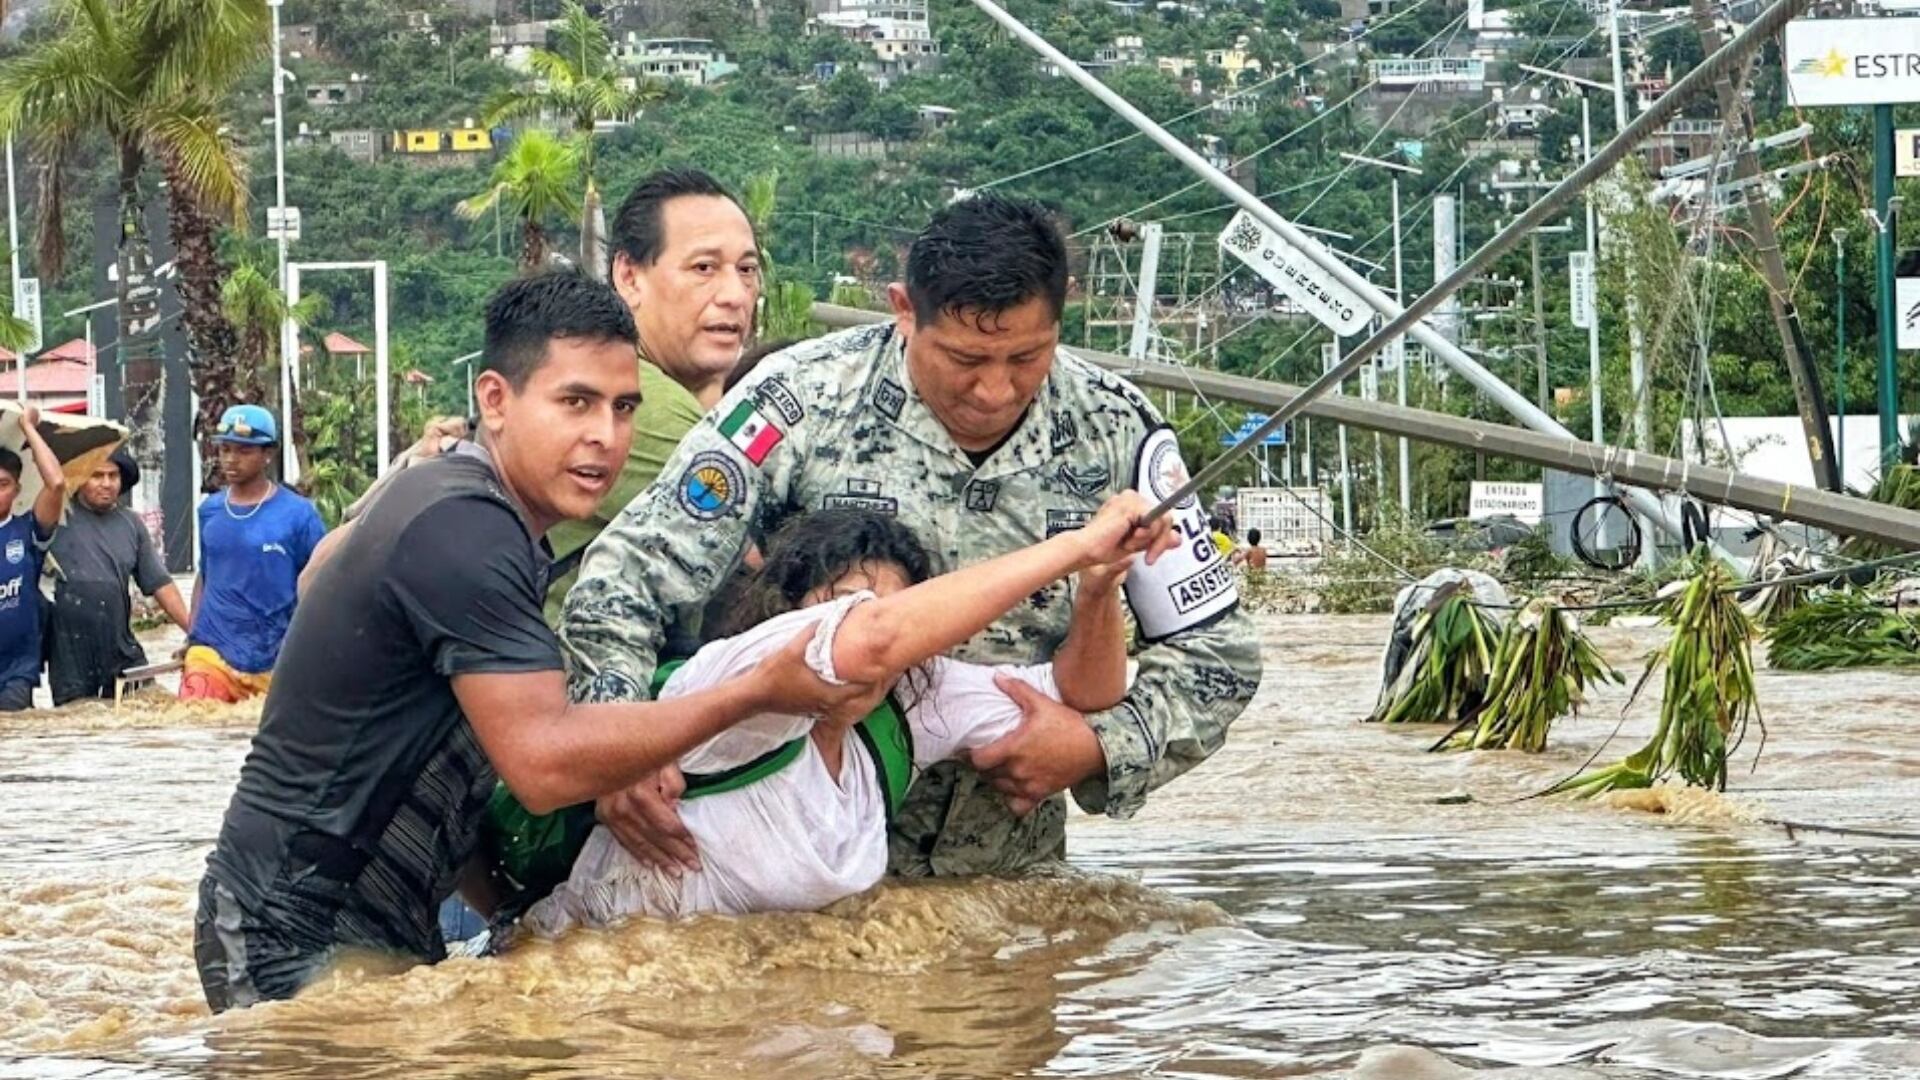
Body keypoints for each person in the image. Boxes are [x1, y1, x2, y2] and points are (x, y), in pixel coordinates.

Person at [194, 270, 871, 1012]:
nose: (604, 437)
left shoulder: (471, 514)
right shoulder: (469, 528)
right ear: (495, 400)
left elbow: (443, 756)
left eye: (623, 409)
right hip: (287, 928)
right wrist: (756, 692)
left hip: (370, 922)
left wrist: (510, 918)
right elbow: (543, 763)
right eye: (574, 402)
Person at [564, 193, 1263, 880]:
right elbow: (626, 578)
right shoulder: (798, 400)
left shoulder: (1118, 430)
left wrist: (1098, 746)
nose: (993, 389)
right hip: (781, 863)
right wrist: (619, 741)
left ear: (1062, 312)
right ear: (903, 310)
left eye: (1026, 358)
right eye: (964, 360)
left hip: (1008, 879)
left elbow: (1220, 653)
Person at [521, 500, 1164, 933]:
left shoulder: (910, 699)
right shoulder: (742, 673)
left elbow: (1081, 694)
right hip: (606, 987)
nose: (880, 628)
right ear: (791, 606)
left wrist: (1099, 588)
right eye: (845, 605)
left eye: (901, 611)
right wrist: (1076, 546)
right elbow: (870, 641)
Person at [542, 168, 764, 625]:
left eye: (747, 270)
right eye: (704, 268)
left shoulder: (605, 379)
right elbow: (766, 564)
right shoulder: (645, 405)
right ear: (629, 276)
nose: (735, 295)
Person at [179, 405, 325, 702]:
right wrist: (192, 634)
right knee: (195, 722)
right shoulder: (209, 511)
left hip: (278, 655)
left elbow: (323, 583)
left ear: (267, 454)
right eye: (225, 450)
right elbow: (205, 576)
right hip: (212, 651)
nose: (231, 460)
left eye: (244, 451)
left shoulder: (299, 515)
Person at [45, 449, 192, 705]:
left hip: (120, 645)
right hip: (69, 651)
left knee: (152, 708)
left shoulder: (131, 524)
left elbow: (160, 584)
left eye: (113, 476)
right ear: (80, 479)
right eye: (97, 475)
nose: (107, 483)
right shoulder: (54, 516)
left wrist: (196, 632)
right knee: (78, 722)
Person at [0, 407, 65, 711]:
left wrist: (28, 428)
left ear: (17, 489)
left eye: (2, 485)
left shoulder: (26, 530)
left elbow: (56, 485)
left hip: (16, 673)